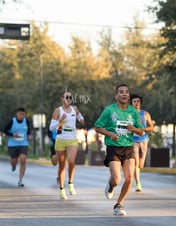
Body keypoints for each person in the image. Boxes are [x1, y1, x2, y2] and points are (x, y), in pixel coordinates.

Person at [95, 84, 144, 216]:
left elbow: (141, 131)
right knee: (117, 179)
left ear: (129, 95)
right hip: (113, 148)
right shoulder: (109, 110)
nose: (124, 94)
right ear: (116, 95)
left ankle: (119, 204)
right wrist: (110, 134)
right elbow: (97, 127)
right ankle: (111, 184)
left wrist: (133, 129)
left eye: (126, 92)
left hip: (128, 147)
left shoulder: (133, 112)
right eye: (121, 92)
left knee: (129, 178)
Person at [49, 89, 85, 199]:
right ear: (61, 99)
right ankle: (61, 189)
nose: (69, 99)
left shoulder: (74, 109)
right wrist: (60, 120)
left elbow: (81, 118)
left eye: (70, 97)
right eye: (66, 97)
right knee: (61, 166)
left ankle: (70, 183)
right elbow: (51, 128)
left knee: (71, 161)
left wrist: (81, 119)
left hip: (72, 139)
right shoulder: (57, 111)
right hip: (60, 139)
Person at [130, 94, 154, 192]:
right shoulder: (129, 114)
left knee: (141, 164)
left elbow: (151, 126)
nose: (136, 103)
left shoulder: (145, 114)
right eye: (134, 101)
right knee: (136, 161)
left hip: (144, 139)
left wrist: (143, 129)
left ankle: (139, 169)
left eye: (138, 101)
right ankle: (138, 184)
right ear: (131, 103)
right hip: (133, 139)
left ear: (140, 103)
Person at [3, 107, 32, 187]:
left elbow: (28, 130)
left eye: (23, 114)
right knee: (14, 161)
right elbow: (4, 130)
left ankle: (20, 180)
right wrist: (12, 135)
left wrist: (29, 135)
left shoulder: (26, 121)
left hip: (23, 143)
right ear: (17, 114)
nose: (21, 116)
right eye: (20, 114)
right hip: (12, 144)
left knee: (23, 160)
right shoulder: (12, 121)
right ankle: (13, 165)